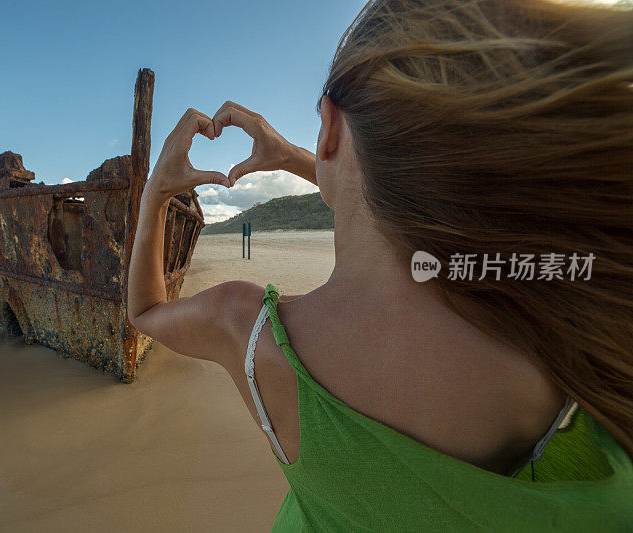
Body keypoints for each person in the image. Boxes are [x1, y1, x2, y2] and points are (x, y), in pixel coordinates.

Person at [127, 0, 633, 529]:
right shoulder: (569, 315)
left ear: (328, 128)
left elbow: (144, 310)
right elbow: (406, 204)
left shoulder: (242, 327)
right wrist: (311, 157)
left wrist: (156, 194)